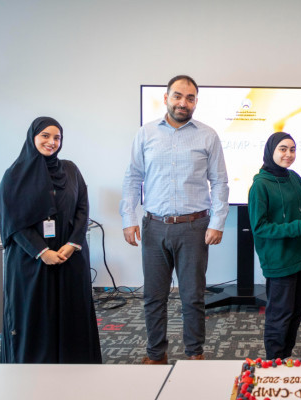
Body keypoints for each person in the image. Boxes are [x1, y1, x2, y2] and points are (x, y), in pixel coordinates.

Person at [120, 75, 229, 364]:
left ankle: (195, 354)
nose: (183, 102)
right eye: (178, 96)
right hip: (154, 227)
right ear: (166, 98)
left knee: (193, 297)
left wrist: (217, 222)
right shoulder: (145, 133)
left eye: (190, 98)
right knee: (154, 297)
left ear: (196, 102)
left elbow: (220, 182)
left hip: (195, 227)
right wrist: (128, 217)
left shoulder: (208, 135)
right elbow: (133, 178)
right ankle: (156, 354)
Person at [0, 117, 101, 363]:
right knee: (35, 317)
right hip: (30, 262)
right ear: (32, 137)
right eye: (45, 136)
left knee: (72, 315)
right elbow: (13, 221)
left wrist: (73, 243)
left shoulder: (70, 170)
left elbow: (82, 208)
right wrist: (42, 251)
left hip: (69, 256)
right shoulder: (14, 176)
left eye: (57, 137)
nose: (51, 142)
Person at [248, 132, 301, 360]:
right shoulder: (260, 185)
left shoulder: (293, 177)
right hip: (279, 260)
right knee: (280, 315)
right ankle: (274, 361)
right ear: (271, 151)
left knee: (296, 312)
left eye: (292, 149)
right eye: (283, 149)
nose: (288, 154)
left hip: (300, 256)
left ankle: (285, 356)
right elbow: (260, 228)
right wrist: (296, 227)